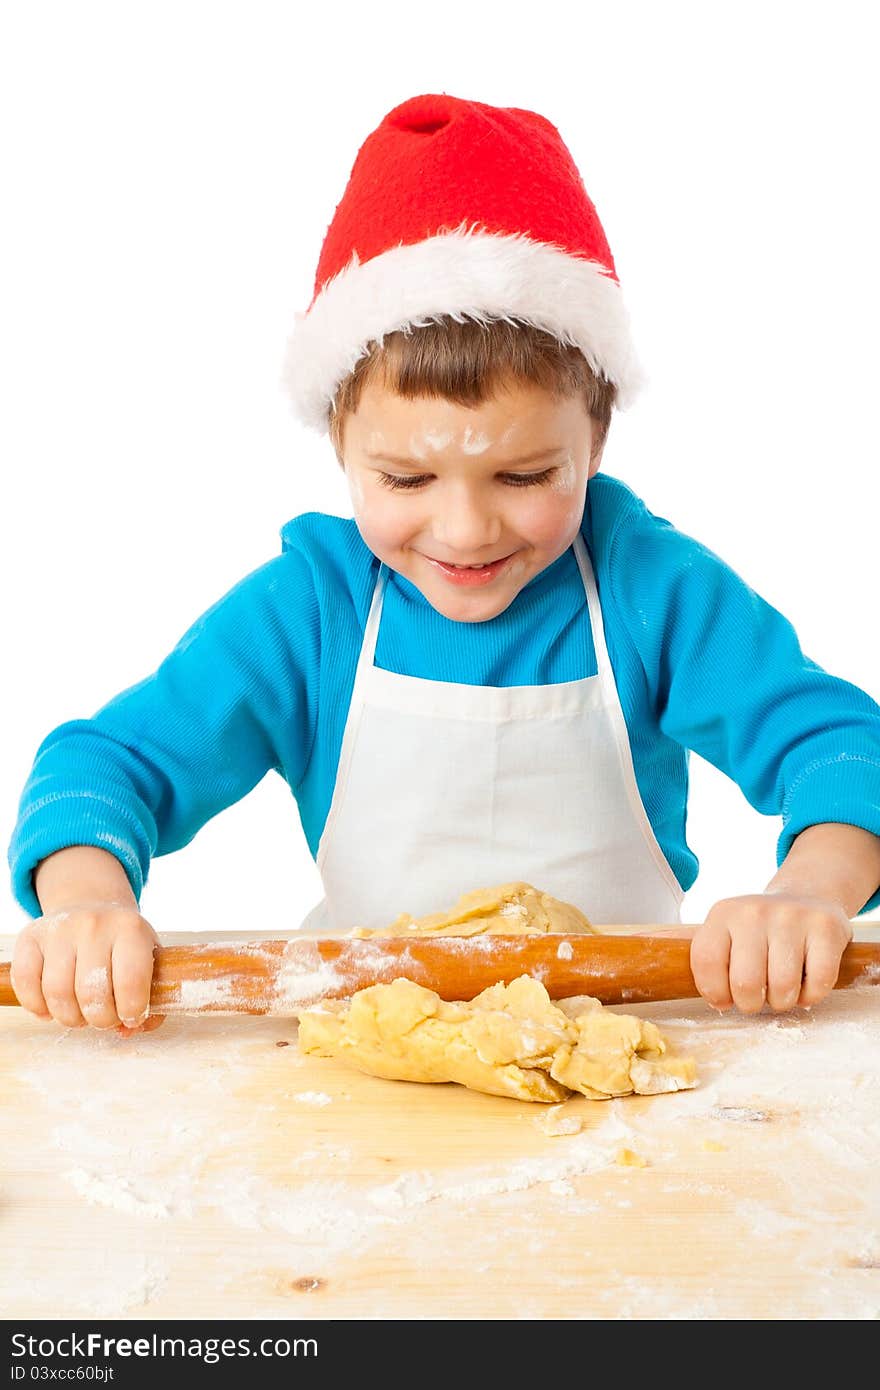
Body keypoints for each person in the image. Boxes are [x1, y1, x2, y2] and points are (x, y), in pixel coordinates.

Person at [8, 92, 880, 1036]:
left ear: (594, 441)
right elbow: (108, 766)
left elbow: (843, 750)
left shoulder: (650, 591)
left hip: (625, 1042)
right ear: (340, 447)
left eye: (524, 473)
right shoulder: (313, 611)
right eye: (407, 476)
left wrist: (811, 891)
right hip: (359, 1050)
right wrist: (85, 904)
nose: (464, 531)